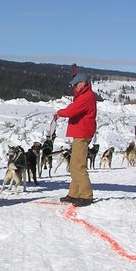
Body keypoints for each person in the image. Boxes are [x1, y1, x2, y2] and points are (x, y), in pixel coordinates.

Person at [53, 72, 97, 207]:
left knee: (78, 166)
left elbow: (71, 111)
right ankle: (74, 194)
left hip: (82, 133)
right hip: (80, 132)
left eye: (76, 84)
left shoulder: (86, 97)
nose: (75, 87)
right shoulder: (83, 96)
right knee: (73, 165)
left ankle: (86, 195)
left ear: (83, 83)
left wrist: (58, 113)